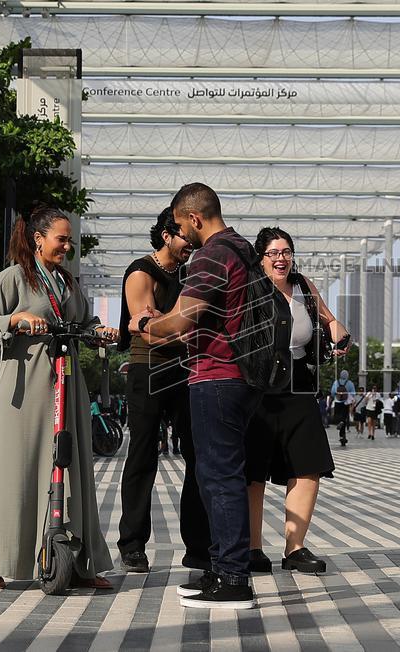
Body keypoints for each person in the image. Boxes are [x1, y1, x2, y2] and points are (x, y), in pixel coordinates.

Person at [0, 204, 116, 591]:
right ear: (38, 239)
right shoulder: (13, 279)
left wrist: (101, 332)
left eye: (70, 240)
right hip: (22, 393)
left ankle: (80, 563)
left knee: (74, 468)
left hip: (65, 387)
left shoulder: (69, 283)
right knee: (15, 473)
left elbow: (84, 323)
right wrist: (14, 321)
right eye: (61, 239)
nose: (67, 246)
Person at [129, 183, 262, 609]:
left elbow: (182, 323)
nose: (185, 235)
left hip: (217, 376)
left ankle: (233, 579)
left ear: (194, 218)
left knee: (220, 478)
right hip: (240, 376)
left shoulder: (212, 253)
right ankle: (221, 569)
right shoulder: (243, 249)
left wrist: (145, 325)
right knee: (216, 475)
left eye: (184, 225)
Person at [244, 227, 349, 576]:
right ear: (261, 257)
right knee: (253, 469)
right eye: (273, 252)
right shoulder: (250, 287)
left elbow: (330, 320)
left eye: (286, 251)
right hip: (257, 387)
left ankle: (295, 548)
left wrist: (341, 335)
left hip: (300, 385)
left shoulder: (303, 285)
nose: (281, 258)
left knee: (308, 465)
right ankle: (251, 548)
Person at [116, 206, 210, 575]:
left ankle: (199, 545)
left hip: (186, 370)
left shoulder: (190, 275)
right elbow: (143, 325)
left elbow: (174, 324)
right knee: (143, 455)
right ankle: (132, 544)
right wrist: (177, 323)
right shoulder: (141, 272)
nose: (192, 243)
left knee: (197, 454)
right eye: (187, 236)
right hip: (148, 370)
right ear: (167, 234)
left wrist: (168, 321)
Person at [330, 370, 356, 446]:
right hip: (345, 403)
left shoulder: (336, 382)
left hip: (337, 402)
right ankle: (343, 436)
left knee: (337, 417)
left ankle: (341, 436)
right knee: (344, 419)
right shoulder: (350, 383)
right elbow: (353, 393)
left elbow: (332, 392)